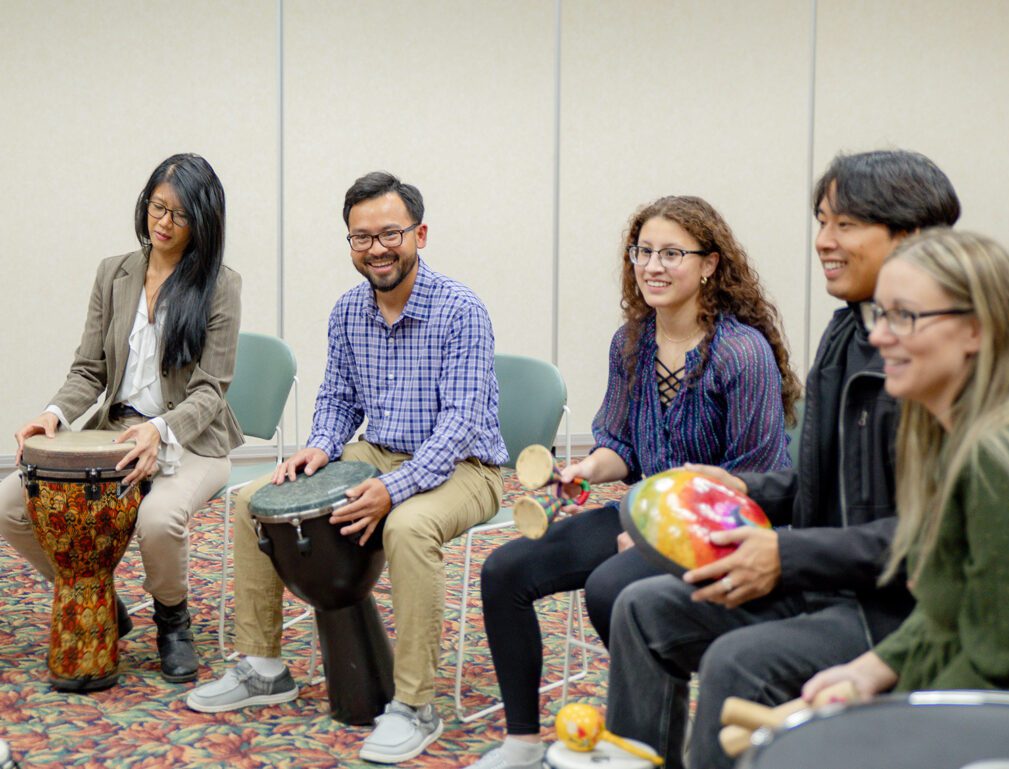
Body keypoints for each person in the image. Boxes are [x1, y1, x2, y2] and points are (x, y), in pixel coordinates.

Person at [602, 150, 962, 769]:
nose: (823, 241)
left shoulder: (941, 357)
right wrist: (738, 487)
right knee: (642, 609)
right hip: (828, 579)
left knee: (738, 663)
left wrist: (787, 555)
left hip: (896, 611)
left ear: (910, 236)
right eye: (821, 221)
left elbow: (936, 536)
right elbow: (826, 483)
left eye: (844, 225)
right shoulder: (849, 332)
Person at [465, 196, 801, 769]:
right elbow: (618, 444)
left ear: (710, 264)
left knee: (611, 586)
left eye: (672, 253)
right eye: (644, 251)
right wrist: (583, 470)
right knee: (505, 570)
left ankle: (653, 740)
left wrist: (659, 537)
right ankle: (522, 742)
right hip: (640, 513)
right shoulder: (631, 342)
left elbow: (752, 481)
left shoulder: (741, 353)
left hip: (722, 531)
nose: (653, 266)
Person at [186, 171, 507, 764]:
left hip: (465, 465)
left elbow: (460, 422)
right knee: (254, 500)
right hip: (376, 451)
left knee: (409, 527)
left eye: (390, 234)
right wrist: (322, 446)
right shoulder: (348, 311)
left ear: (420, 234)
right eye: (361, 238)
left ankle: (416, 705)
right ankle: (263, 666)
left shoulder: (462, 311)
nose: (377, 249)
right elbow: (337, 400)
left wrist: (394, 488)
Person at [0, 153, 242, 682]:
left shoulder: (220, 284)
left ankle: (172, 621)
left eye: (180, 215)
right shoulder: (115, 272)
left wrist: (159, 431)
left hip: (193, 439)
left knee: (159, 520)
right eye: (158, 207)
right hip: (115, 431)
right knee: (10, 505)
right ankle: (95, 598)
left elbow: (210, 390)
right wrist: (52, 414)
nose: (164, 223)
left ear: (203, 222)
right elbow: (88, 370)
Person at [802, 229, 1009, 699]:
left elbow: (1000, 663)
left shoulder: (996, 458)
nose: (879, 336)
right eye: (880, 314)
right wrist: (868, 671)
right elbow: (949, 613)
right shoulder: (944, 435)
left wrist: (889, 729)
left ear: (976, 329)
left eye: (904, 316)